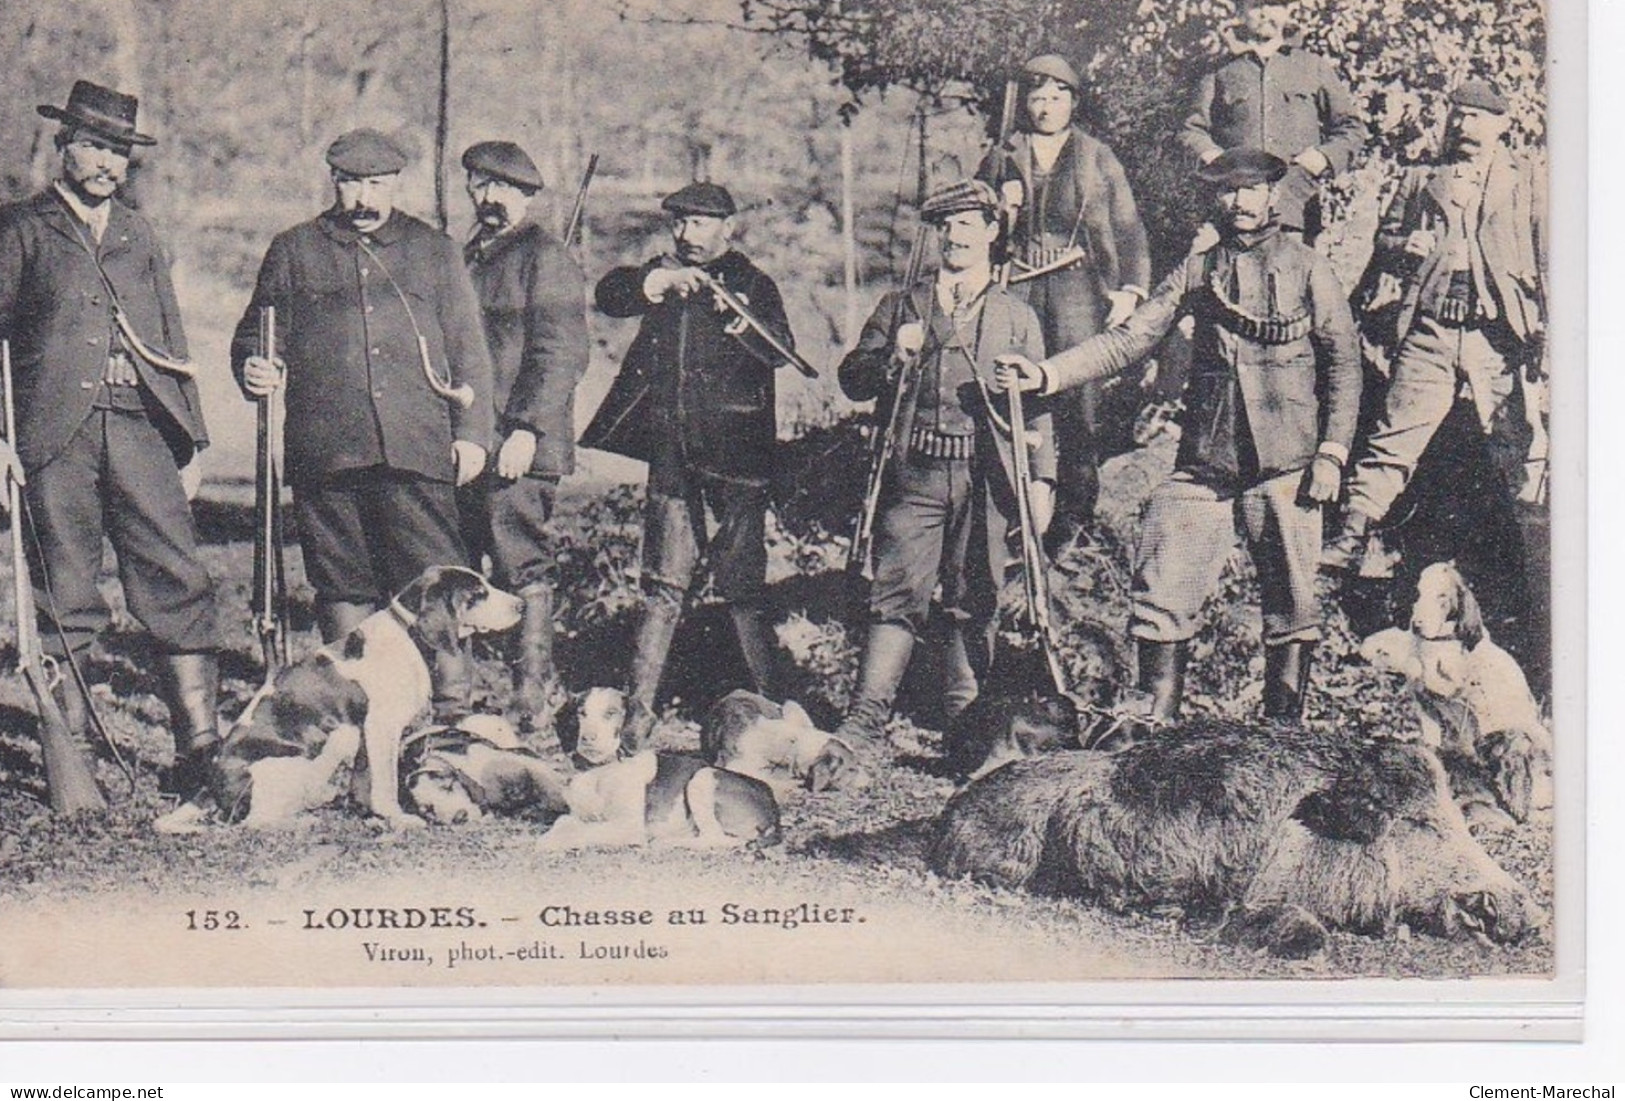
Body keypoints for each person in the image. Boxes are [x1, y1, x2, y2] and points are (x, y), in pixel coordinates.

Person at [996, 150, 1360, 724]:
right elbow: (1130, 338)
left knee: (1292, 608)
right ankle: (1153, 731)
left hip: (1288, 463)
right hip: (1208, 464)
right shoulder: (1199, 271)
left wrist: (1333, 453)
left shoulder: (1309, 268)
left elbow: (1344, 364)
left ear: (1273, 195)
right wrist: (1048, 373)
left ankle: (1281, 742)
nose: (1239, 202)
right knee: (1163, 592)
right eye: (1228, 191)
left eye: (1251, 190)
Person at [0, 80, 224, 794]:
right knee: (65, 590)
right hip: (51, 435)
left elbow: (170, 337)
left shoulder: (138, 232)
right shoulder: (20, 228)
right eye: (93, 145)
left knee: (176, 575)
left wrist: (190, 437)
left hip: (139, 427)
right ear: (62, 146)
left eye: (118, 151)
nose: (105, 163)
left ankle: (202, 751)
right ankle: (75, 756)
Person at [232, 128, 494, 717]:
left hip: (417, 449)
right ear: (334, 182)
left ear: (395, 184)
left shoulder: (434, 250)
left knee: (434, 585)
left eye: (377, 184)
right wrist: (253, 365)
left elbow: (470, 350)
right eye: (352, 184)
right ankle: (347, 714)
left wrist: (474, 434)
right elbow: (256, 331)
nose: (364, 199)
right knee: (342, 585)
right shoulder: (295, 249)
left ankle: (448, 718)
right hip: (328, 451)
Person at [833, 178, 1053, 747]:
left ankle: (964, 722)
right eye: (946, 225)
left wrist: (1043, 480)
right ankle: (864, 720)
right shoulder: (903, 305)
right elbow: (853, 379)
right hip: (916, 475)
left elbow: (1039, 408)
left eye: (967, 224)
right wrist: (892, 355)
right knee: (896, 591)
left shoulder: (1016, 316)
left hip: (987, 478)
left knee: (974, 594)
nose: (955, 235)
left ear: (991, 231)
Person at [582, 182, 794, 747]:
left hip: (736, 465)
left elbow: (781, 351)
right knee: (662, 587)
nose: (688, 234)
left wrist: (740, 321)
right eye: (680, 223)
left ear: (729, 228)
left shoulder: (754, 284)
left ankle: (771, 715)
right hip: (673, 460)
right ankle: (637, 719)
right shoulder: (664, 278)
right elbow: (611, 293)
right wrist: (657, 283)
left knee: (743, 589)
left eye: (701, 224)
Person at [1323, 80, 1546, 576]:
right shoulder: (1422, 177)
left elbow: (1549, 256)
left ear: (1502, 123)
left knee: (1513, 438)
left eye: (1479, 117)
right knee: (1395, 432)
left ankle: (1529, 557)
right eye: (1459, 115)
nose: (1466, 126)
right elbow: (1387, 238)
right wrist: (1406, 248)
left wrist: (1547, 332)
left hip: (1497, 334)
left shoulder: (1528, 178)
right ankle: (1352, 536)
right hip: (1431, 330)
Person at [977, 53, 1151, 550]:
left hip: (1077, 288)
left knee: (1078, 399)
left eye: (1057, 97)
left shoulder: (1097, 156)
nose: (1047, 106)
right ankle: (1009, 515)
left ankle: (1071, 522)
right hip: (1017, 284)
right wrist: (1001, 210)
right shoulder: (1002, 154)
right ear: (1025, 103)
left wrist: (1130, 291)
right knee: (1011, 389)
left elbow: (1128, 228)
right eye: (1037, 97)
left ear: (1074, 102)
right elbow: (975, 222)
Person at [459, 140, 589, 725]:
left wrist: (527, 429)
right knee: (460, 562)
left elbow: (561, 353)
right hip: (468, 440)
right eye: (479, 185)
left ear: (526, 196)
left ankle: (530, 695)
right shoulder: (469, 257)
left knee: (520, 562)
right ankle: (453, 693)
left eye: (502, 189)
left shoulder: (546, 258)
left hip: (519, 444)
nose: (489, 198)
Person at [1180, 0, 1365, 240]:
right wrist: (1215, 159)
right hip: (1233, 212)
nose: (1266, 13)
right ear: (1240, 12)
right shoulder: (1219, 70)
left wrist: (1321, 159)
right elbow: (1191, 130)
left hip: (1294, 207)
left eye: (1275, 4)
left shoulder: (1312, 66)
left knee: (1291, 275)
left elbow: (1351, 128)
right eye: (1256, 5)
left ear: (1289, 11)